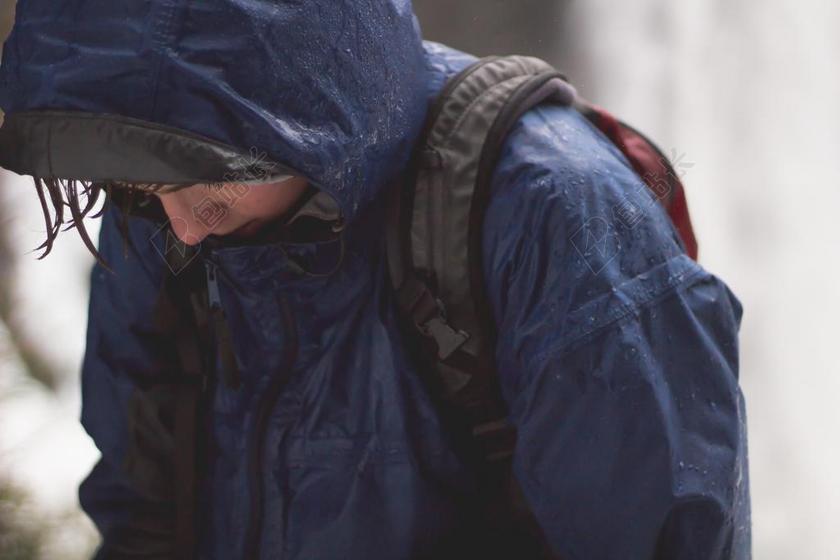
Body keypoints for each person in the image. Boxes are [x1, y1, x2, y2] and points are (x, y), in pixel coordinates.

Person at [0, 1, 751, 559]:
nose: (185, 227)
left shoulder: (555, 214)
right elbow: (143, 508)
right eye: (136, 189)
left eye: (213, 186)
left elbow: (658, 533)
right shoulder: (159, 204)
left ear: (294, 106)